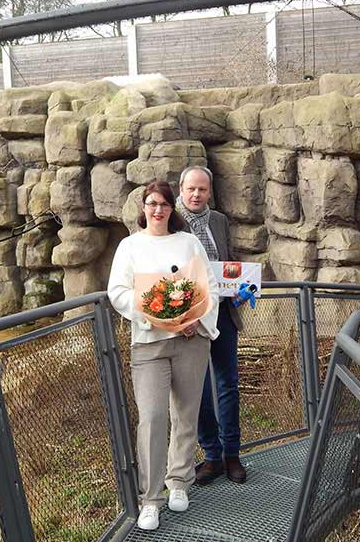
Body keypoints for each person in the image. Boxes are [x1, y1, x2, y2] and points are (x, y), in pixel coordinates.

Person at [107, 180, 220, 531]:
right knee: (153, 417)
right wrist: (155, 316)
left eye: (164, 204)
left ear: (173, 209)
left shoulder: (188, 243)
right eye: (152, 204)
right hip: (149, 344)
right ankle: (150, 498)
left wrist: (194, 319)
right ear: (143, 207)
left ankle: (179, 481)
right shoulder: (129, 246)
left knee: (185, 414)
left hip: (191, 341)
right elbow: (118, 292)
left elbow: (209, 286)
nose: (158, 210)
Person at [177, 166, 247, 485]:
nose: (196, 195)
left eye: (202, 190)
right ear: (181, 189)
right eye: (191, 189)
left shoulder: (219, 220)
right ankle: (212, 455)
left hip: (222, 313)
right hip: (190, 320)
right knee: (198, 389)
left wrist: (241, 288)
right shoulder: (171, 223)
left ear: (209, 192)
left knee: (228, 384)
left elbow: (227, 262)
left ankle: (232, 454)